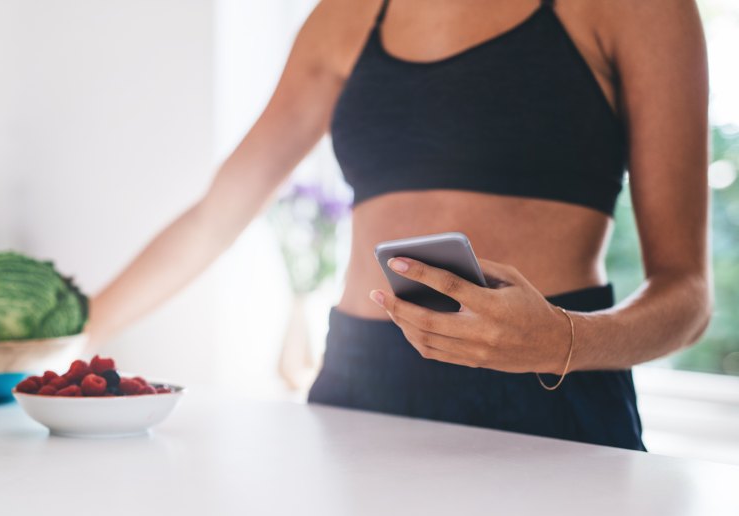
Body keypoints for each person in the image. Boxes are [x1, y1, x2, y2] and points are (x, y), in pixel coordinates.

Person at [87, 0, 711, 450]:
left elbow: (688, 296)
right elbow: (212, 221)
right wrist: (66, 340)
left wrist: (561, 342)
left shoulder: (638, 9)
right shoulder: (344, 17)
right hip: (364, 381)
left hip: (548, 385)